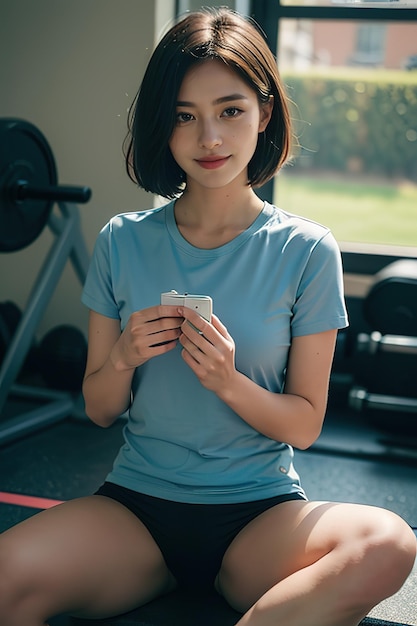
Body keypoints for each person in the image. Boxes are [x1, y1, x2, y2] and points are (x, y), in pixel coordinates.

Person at [0, 7, 415, 626]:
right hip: (136, 511)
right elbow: (97, 408)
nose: (209, 139)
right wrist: (122, 359)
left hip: (259, 516)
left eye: (230, 111)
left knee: (390, 544)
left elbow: (303, 425)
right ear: (163, 128)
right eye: (184, 117)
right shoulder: (123, 240)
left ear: (264, 113)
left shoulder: (306, 250)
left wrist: (229, 382)